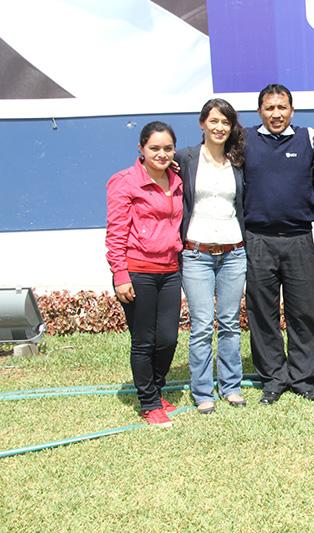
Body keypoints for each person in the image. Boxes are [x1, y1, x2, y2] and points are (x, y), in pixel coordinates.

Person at [243, 84, 314, 405]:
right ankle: (274, 378)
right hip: (258, 240)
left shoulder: (310, 138)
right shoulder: (245, 139)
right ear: (260, 111)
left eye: (282, 107)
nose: (276, 114)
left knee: (303, 311)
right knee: (262, 313)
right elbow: (209, 152)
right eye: (269, 108)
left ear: (292, 110)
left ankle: (303, 378)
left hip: (299, 239)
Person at [106, 121, 183, 427]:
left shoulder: (176, 179)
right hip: (138, 270)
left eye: (167, 148)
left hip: (170, 269)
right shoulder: (124, 182)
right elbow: (116, 233)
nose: (161, 154)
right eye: (154, 148)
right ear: (141, 149)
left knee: (167, 338)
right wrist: (120, 274)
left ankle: (156, 388)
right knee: (144, 340)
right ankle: (149, 402)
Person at [175, 98, 247, 415]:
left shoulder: (240, 161)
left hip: (233, 252)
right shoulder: (185, 159)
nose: (219, 128)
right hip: (196, 254)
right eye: (213, 121)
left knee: (230, 323)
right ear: (202, 123)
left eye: (225, 122)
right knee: (202, 325)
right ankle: (203, 391)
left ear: (232, 128)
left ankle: (231, 387)